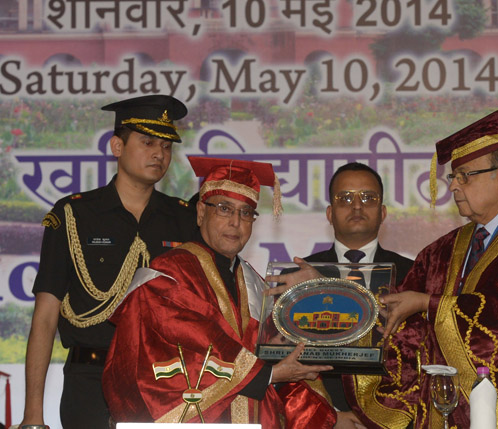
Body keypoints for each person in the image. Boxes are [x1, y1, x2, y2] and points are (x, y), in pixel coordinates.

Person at [368, 104, 498, 428]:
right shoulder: (441, 251)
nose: (452, 186)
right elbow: (400, 316)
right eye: (453, 177)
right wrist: (333, 291)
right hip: (447, 414)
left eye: (464, 176)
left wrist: (428, 305)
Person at [102, 157, 337, 426]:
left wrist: (328, 414)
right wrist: (267, 375)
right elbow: (194, 343)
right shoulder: (168, 274)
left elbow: (282, 358)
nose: (236, 222)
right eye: (224, 209)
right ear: (201, 212)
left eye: (246, 212)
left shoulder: (255, 283)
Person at [20, 95, 198, 429]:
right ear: (117, 146)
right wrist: (32, 416)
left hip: (166, 383)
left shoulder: (184, 220)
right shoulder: (74, 215)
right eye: (147, 142)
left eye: (166, 146)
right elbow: (45, 317)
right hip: (90, 383)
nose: (159, 154)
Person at [302, 162, 413, 428]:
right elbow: (286, 361)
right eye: (345, 198)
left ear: (383, 211)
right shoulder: (302, 275)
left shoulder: (413, 274)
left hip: (398, 419)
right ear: (329, 213)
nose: (357, 206)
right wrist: (328, 416)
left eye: (368, 197)